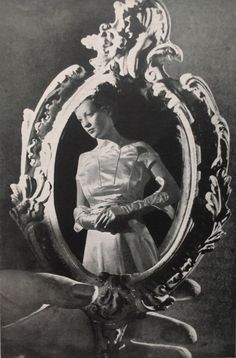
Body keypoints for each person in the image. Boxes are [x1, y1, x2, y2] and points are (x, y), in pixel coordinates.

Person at [73, 83, 180, 275]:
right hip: (96, 242)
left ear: (107, 111)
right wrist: (90, 220)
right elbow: (79, 208)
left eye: (89, 114)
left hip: (132, 237)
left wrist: (126, 210)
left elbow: (171, 191)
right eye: (80, 120)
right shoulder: (84, 159)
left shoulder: (139, 148)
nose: (85, 123)